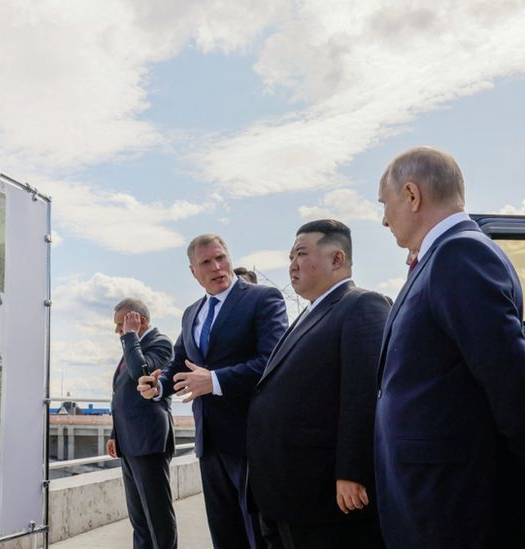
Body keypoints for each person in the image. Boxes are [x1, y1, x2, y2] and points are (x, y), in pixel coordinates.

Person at [375, 147, 525, 548]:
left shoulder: (460, 254)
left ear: (411, 195)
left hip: (452, 507)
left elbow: (510, 382)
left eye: (385, 204)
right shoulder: (440, 258)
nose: (384, 219)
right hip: (433, 499)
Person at [138, 234, 287, 549]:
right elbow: (180, 363)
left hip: (251, 440)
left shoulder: (263, 298)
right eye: (206, 262)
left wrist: (216, 380)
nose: (217, 266)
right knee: (224, 534)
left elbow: (272, 361)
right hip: (210, 443)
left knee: (259, 536)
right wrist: (159, 385)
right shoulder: (192, 312)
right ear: (193, 271)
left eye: (221, 257)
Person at [247, 219, 389, 549]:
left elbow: (363, 394)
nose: (292, 266)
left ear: (336, 259)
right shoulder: (309, 313)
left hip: (323, 493)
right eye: (290, 257)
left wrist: (353, 472)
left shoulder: (362, 306)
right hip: (285, 491)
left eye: (300, 254)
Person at [106, 298, 176, 549]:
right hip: (129, 441)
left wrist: (130, 336)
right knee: (139, 519)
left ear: (139, 320)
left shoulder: (160, 343)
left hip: (149, 440)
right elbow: (121, 395)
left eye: (120, 325)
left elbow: (141, 374)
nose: (118, 331)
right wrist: (115, 434)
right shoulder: (132, 346)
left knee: (157, 516)